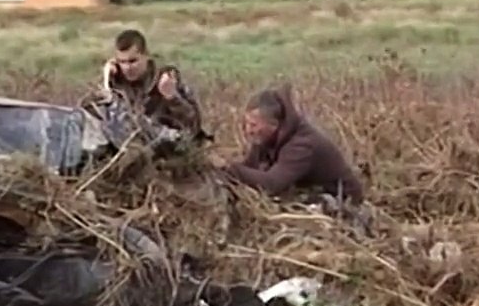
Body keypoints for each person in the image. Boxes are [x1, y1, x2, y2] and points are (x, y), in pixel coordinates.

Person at [223, 86, 364, 205]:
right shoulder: (266, 138)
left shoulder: (302, 145)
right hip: (311, 193)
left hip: (342, 202)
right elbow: (249, 168)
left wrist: (231, 169)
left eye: (253, 125)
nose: (248, 130)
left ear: (274, 124)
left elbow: (272, 184)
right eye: (246, 123)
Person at [102, 29, 204, 139]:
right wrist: (107, 80)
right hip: (126, 144)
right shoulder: (115, 79)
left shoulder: (166, 78)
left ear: (146, 56)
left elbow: (194, 125)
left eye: (133, 61)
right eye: (122, 62)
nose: (127, 68)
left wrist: (172, 97)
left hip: (164, 144)